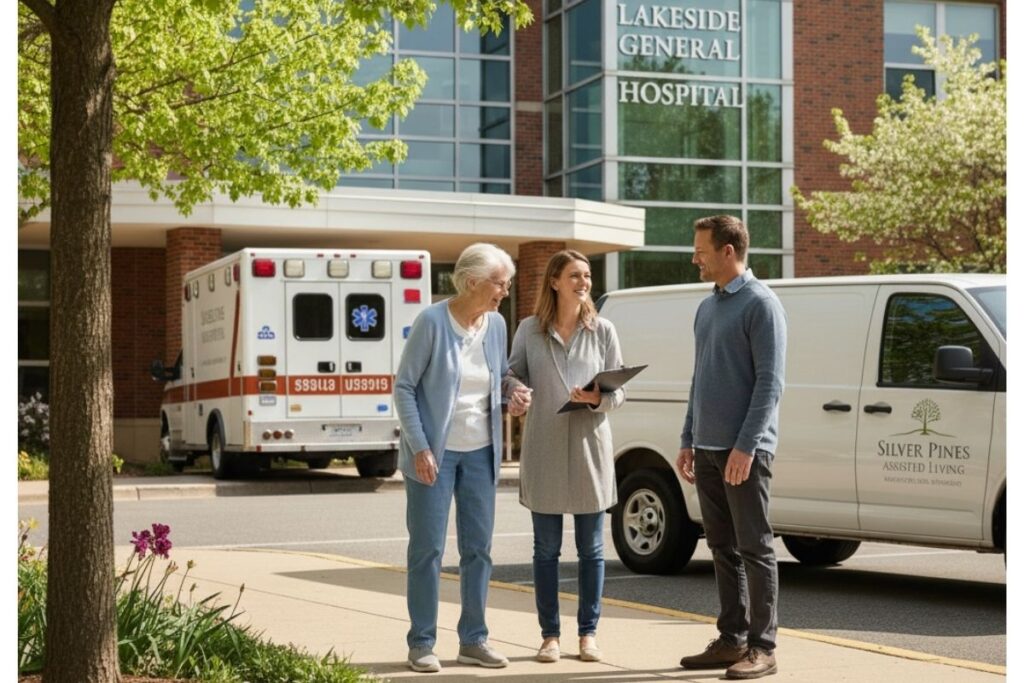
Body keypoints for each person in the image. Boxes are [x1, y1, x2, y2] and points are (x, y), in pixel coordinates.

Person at [393, 243, 516, 674]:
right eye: (499, 284)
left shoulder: (497, 325)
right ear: (469, 282)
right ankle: (422, 642)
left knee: (478, 551)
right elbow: (404, 387)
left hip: (481, 454)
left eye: (506, 284)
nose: (504, 292)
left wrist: (513, 391)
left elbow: (500, 376)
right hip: (434, 456)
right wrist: (422, 447)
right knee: (426, 550)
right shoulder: (431, 321)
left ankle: (473, 640)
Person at [676, 215, 787, 680]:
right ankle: (731, 639)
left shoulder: (762, 304)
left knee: (755, 548)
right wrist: (688, 438)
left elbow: (770, 384)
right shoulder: (707, 306)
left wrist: (746, 447)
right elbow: (700, 377)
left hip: (745, 452)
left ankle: (763, 647)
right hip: (707, 447)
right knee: (720, 546)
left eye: (701, 249)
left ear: (728, 251)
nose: (695, 257)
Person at [505, 249, 624, 665]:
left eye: (587, 275)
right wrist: (515, 392)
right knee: (545, 551)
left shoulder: (603, 330)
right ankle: (549, 636)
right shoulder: (528, 330)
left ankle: (588, 634)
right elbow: (511, 373)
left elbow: (619, 391)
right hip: (544, 449)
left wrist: (598, 398)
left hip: (591, 449)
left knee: (591, 550)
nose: (583, 282)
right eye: (575, 275)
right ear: (555, 281)